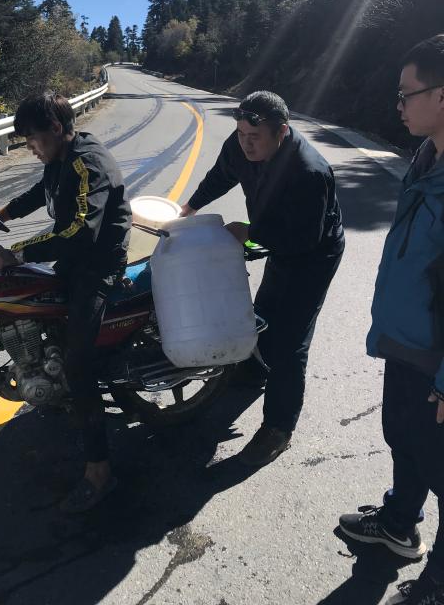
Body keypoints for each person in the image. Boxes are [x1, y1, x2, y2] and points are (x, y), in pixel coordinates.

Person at [181, 91, 344, 466]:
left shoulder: (309, 171)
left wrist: (250, 232)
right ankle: (254, 371)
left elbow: (304, 240)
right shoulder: (241, 142)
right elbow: (221, 175)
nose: (246, 143)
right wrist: (188, 207)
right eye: (241, 134)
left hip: (314, 251)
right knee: (264, 310)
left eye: (254, 137)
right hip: (276, 234)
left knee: (291, 339)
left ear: (282, 132)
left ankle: (278, 428)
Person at [0, 92, 131, 513]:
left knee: (77, 364)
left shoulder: (89, 163)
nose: (30, 147)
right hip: (74, 260)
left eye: (32, 139)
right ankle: (57, 392)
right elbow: (42, 192)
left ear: (55, 127)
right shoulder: (59, 159)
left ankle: (100, 472)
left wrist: (17, 252)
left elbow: (80, 232)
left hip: (97, 266)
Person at [339, 35, 444, 605]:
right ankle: (400, 523)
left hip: (436, 360)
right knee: (404, 439)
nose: (398, 105)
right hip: (408, 342)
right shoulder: (427, 159)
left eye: (407, 94)